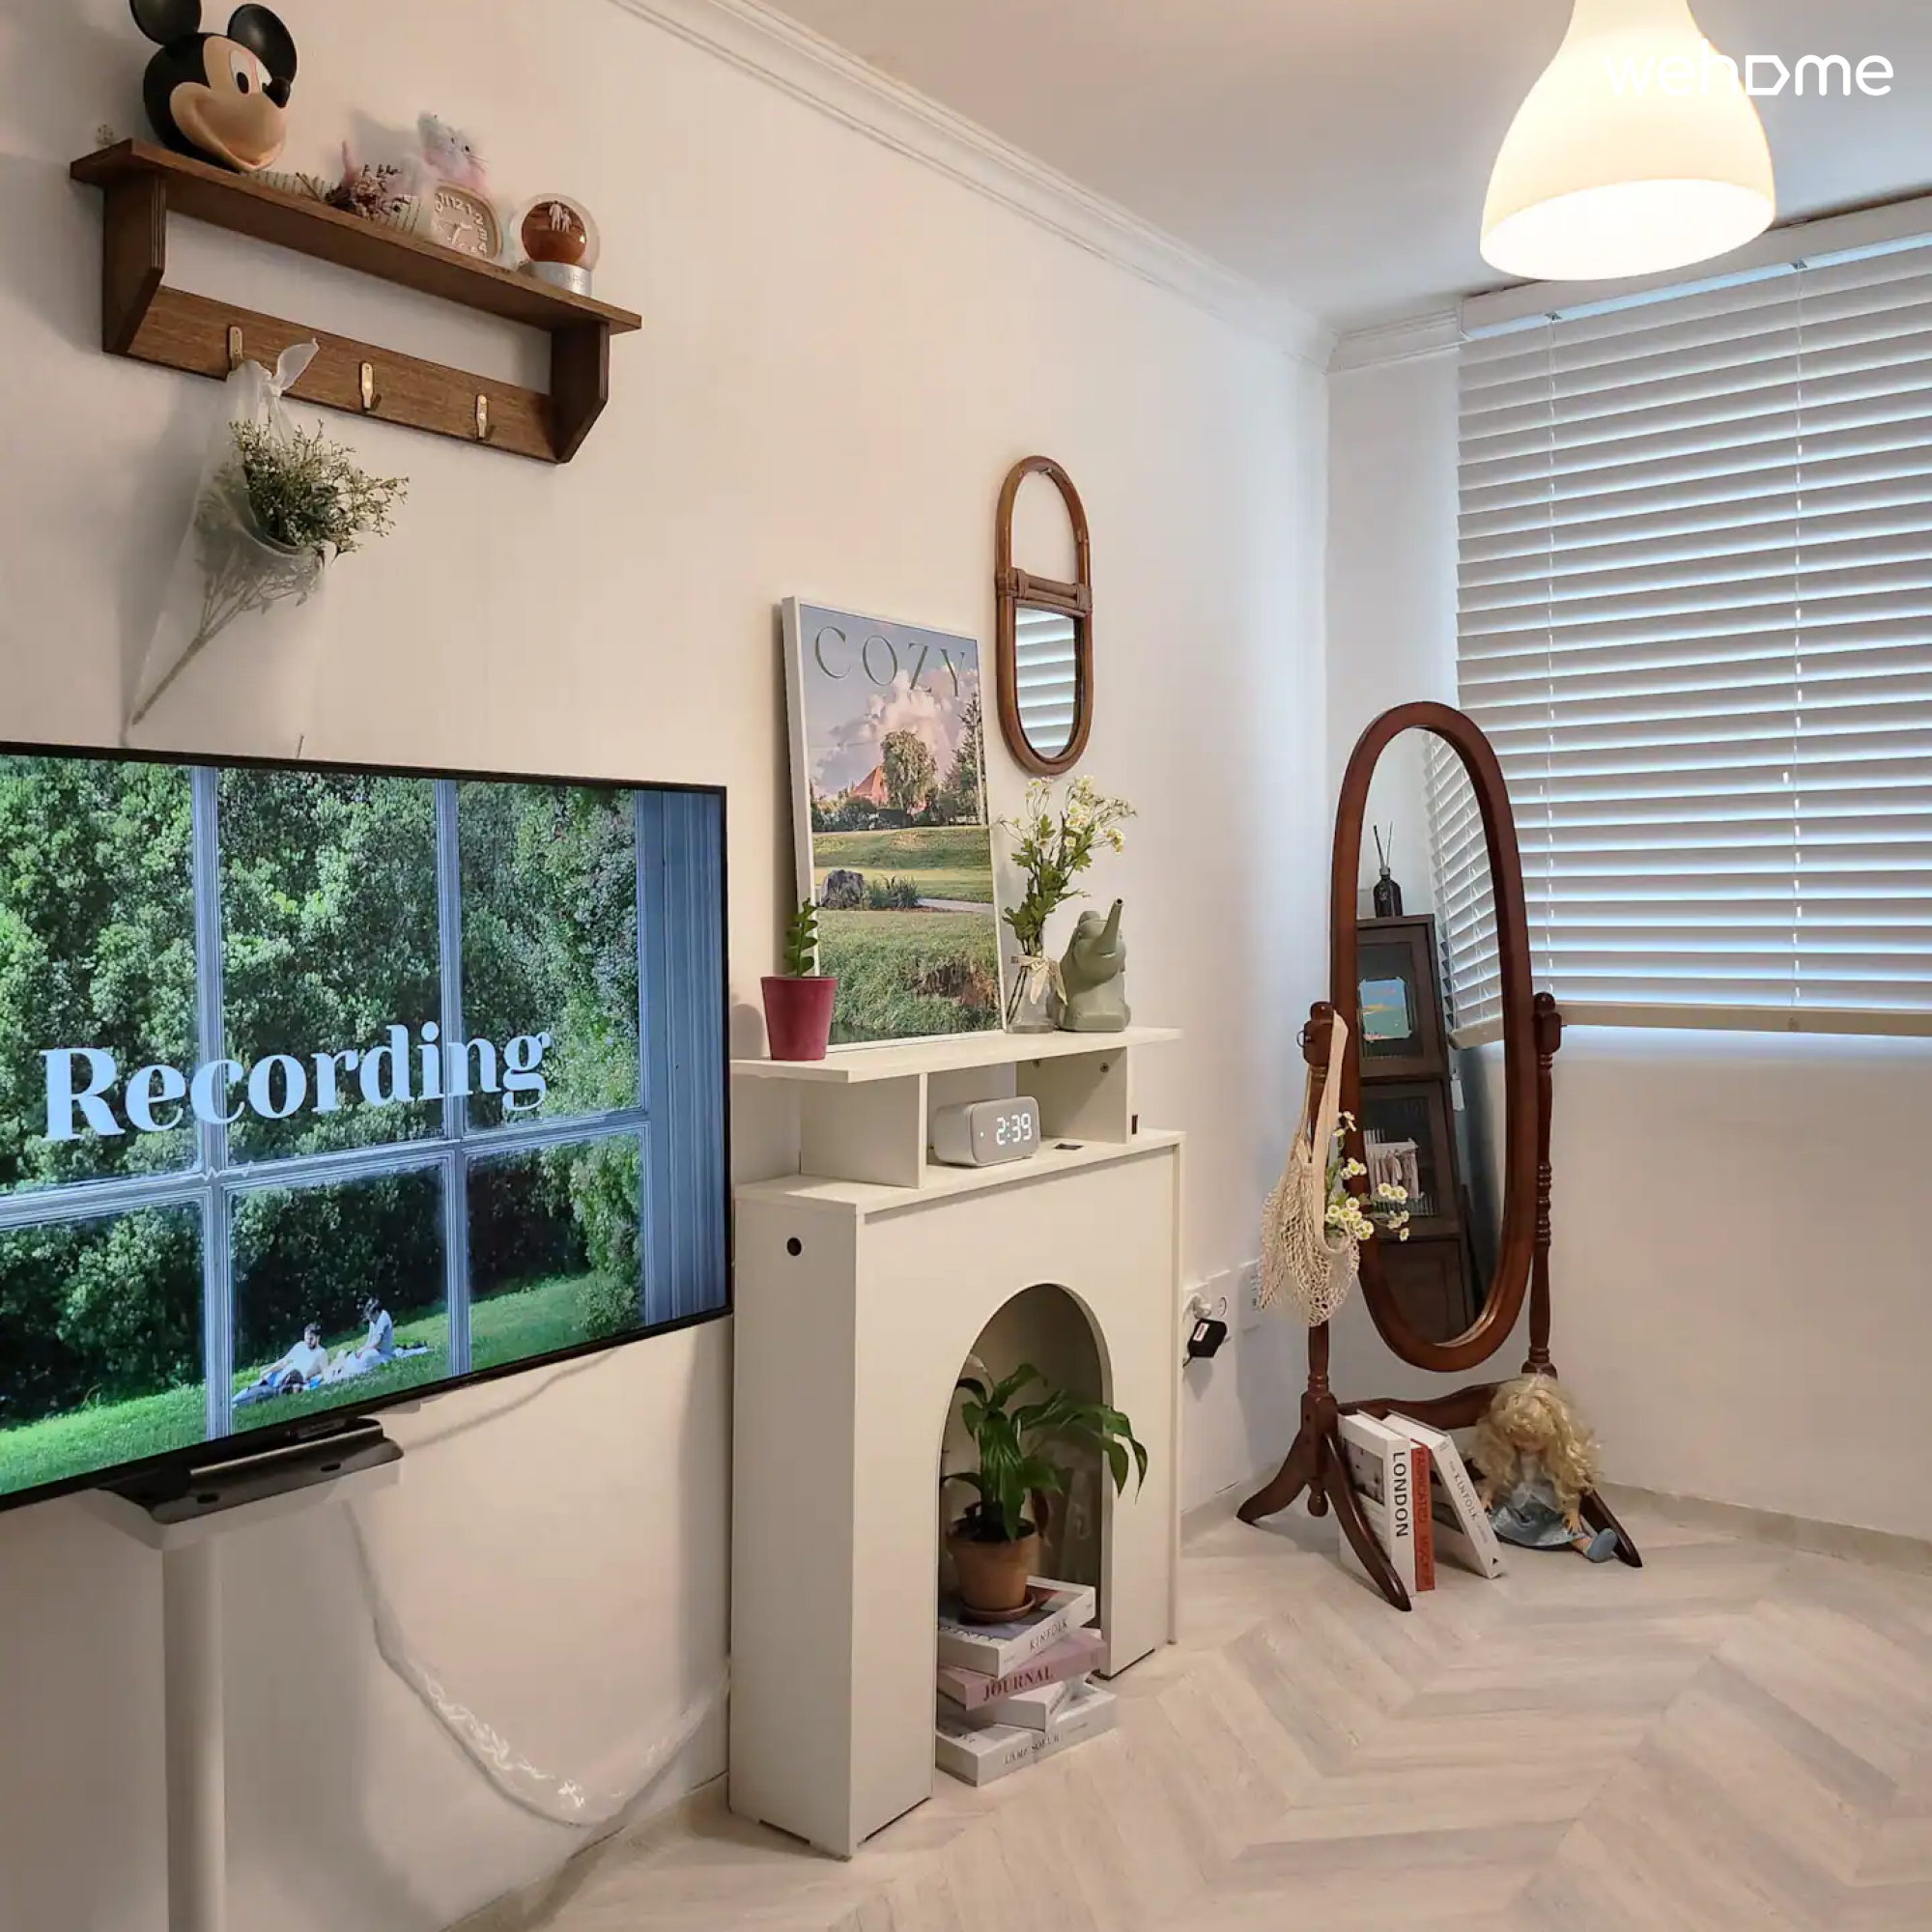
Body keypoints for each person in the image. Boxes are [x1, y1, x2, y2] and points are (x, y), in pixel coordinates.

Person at [235, 1321, 327, 1407]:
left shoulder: (321, 1353)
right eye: (306, 1338)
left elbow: (325, 1373)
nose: (308, 1342)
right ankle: (233, 1401)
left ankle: (238, 1404)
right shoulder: (300, 1345)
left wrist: (315, 1380)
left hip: (292, 1382)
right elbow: (284, 1361)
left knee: (260, 1394)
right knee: (252, 1388)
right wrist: (267, 1370)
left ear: (318, 1338)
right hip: (280, 1376)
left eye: (311, 1339)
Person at [324, 1297, 397, 1383]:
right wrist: (361, 1350)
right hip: (375, 1351)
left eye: (371, 1316)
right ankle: (339, 1370)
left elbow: (377, 1341)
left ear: (377, 1312)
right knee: (351, 1355)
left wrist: (363, 1350)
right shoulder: (373, 1320)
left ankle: (344, 1372)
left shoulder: (383, 1318)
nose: (370, 1319)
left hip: (383, 1353)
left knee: (366, 1357)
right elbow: (370, 1340)